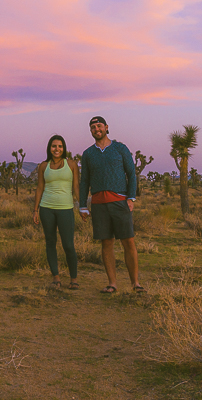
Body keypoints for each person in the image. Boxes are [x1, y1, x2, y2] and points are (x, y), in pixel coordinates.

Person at [78, 116, 144, 294]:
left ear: (107, 127)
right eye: (93, 127)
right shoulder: (88, 154)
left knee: (128, 241)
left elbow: (131, 173)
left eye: (99, 126)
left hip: (119, 202)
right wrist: (82, 205)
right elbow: (84, 181)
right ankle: (112, 283)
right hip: (99, 204)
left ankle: (135, 283)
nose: (96, 129)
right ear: (90, 131)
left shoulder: (120, 148)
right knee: (106, 243)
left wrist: (131, 197)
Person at [33, 134, 81, 289]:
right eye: (54, 146)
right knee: (50, 242)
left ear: (64, 148)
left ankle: (73, 278)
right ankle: (56, 277)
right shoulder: (43, 166)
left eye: (60, 146)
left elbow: (76, 187)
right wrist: (35, 210)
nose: (57, 149)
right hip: (46, 208)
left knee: (68, 244)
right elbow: (40, 188)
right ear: (49, 148)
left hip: (65, 209)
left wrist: (82, 206)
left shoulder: (71, 164)